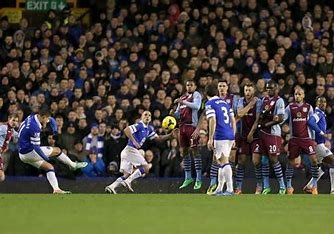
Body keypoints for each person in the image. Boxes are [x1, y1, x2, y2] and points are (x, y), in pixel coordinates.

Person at [105, 111, 177, 194]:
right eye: (145, 115)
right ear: (141, 117)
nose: (147, 116)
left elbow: (158, 138)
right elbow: (127, 130)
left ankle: (111, 187)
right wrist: (134, 141)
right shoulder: (139, 125)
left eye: (149, 115)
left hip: (126, 151)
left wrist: (170, 135)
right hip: (130, 149)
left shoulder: (149, 129)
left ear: (150, 118)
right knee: (146, 167)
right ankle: (128, 181)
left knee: (126, 174)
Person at [17, 108, 88, 194]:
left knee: (49, 167)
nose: (47, 121)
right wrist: (46, 158)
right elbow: (36, 147)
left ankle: (56, 189)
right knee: (57, 150)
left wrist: (55, 132)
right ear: (43, 117)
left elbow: (52, 120)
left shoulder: (32, 117)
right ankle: (73, 165)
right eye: (46, 119)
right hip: (29, 152)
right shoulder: (34, 127)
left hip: (22, 154)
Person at [206, 79, 239, 195]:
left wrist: (210, 138)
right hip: (229, 134)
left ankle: (230, 189)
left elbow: (213, 120)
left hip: (220, 136)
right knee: (220, 162)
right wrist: (233, 136)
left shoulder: (210, 104)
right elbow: (233, 121)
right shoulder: (225, 103)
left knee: (224, 161)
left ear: (206, 94)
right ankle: (220, 188)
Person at [284, 86, 319, 195]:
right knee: (290, 162)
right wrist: (284, 126)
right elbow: (283, 119)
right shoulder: (290, 107)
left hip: (306, 139)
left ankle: (314, 186)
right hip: (294, 139)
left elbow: (312, 124)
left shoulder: (308, 107)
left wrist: (313, 139)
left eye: (299, 94)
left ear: (303, 95)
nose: (297, 96)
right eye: (296, 94)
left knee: (314, 160)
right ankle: (289, 187)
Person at [174, 79, 203, 190]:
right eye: (187, 85)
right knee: (184, 151)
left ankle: (199, 179)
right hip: (182, 127)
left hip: (192, 126)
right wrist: (173, 113)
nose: (189, 87)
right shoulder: (182, 98)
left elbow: (197, 106)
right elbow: (178, 114)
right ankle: (188, 178)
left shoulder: (196, 95)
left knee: (195, 151)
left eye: (191, 85)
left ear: (195, 86)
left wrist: (183, 103)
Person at [258, 80, 286, 194]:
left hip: (273, 134)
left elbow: (280, 118)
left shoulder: (279, 101)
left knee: (274, 159)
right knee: (264, 160)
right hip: (263, 133)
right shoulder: (264, 100)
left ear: (276, 89)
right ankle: (266, 186)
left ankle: (282, 186)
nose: (269, 90)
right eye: (268, 88)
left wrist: (265, 124)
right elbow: (260, 115)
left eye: (272, 88)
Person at [235, 82, 263, 194]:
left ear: (254, 91)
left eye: (250, 90)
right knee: (241, 161)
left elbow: (257, 119)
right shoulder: (240, 101)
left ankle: (259, 186)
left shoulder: (259, 102)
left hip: (255, 136)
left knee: (256, 161)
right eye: (246, 90)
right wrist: (250, 105)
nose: (247, 92)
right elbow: (240, 113)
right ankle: (238, 188)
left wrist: (251, 133)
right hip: (242, 135)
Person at [305, 96, 334, 194]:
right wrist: (321, 132)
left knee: (325, 165)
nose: (323, 104)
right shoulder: (318, 113)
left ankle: (309, 185)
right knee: (332, 161)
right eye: (320, 102)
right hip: (318, 144)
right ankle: (333, 190)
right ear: (316, 104)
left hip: (318, 144)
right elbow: (311, 122)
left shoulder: (322, 114)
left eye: (324, 102)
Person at [0, 114, 19, 182]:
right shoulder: (3, 128)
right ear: (8, 119)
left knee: (1, 177)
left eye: (16, 121)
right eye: (13, 120)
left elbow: (18, 137)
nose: (15, 122)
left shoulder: (12, 131)